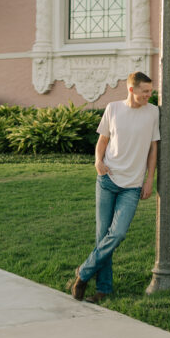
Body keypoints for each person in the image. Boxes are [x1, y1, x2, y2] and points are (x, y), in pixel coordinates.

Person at [70, 71, 159, 303]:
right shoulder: (113, 108)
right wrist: (98, 161)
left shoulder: (153, 112)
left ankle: (84, 272)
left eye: (150, 91)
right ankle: (103, 289)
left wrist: (149, 179)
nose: (149, 95)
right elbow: (103, 140)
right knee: (102, 236)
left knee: (117, 234)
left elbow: (153, 149)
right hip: (107, 180)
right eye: (145, 92)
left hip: (132, 185)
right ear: (132, 90)